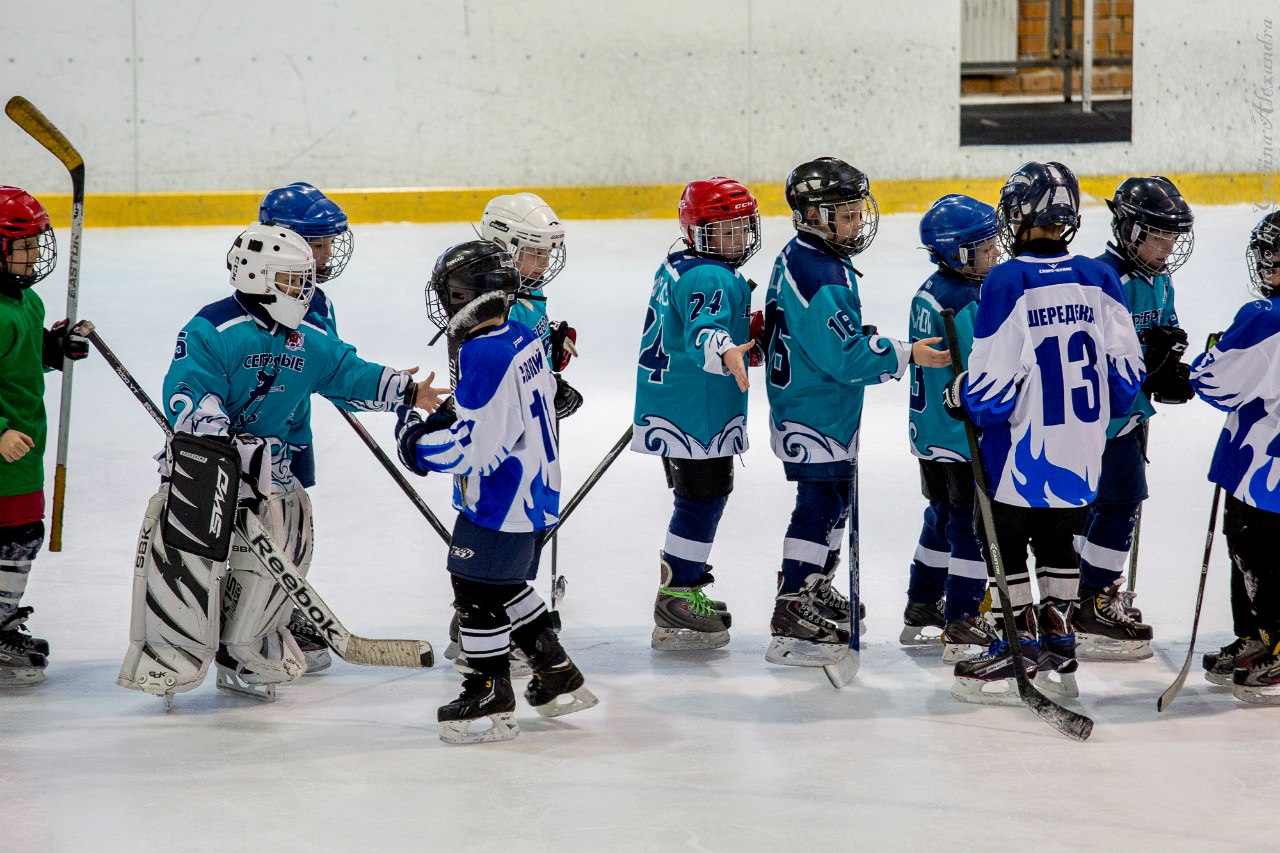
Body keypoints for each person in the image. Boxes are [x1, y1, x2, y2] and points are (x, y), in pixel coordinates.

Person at [117, 222, 437, 705]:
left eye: (305, 280)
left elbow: (346, 372)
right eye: (293, 281)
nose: (304, 291)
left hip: (271, 470)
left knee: (289, 538)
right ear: (258, 277)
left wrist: (405, 390)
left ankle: (250, 643)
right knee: (188, 559)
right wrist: (210, 428)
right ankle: (173, 652)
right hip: (206, 468)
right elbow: (186, 389)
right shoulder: (213, 328)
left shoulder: (304, 335)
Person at [943, 162, 1145, 704]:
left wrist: (960, 392)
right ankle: (1058, 636)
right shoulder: (1100, 277)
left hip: (1019, 453)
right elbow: (1127, 381)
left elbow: (990, 393)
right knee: (1060, 540)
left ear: (1018, 217)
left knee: (1004, 542)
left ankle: (1018, 641)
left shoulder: (1009, 279)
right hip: (1082, 454)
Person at [396, 239, 596, 744]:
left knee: (474, 587)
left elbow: (476, 451)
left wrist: (417, 445)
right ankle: (554, 669)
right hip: (537, 491)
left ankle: (489, 690)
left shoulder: (482, 352)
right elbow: (508, 409)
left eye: (450, 293)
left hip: (502, 498)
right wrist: (453, 412)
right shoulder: (520, 336)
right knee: (504, 586)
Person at [762, 158, 951, 668]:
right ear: (810, 215)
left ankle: (812, 587)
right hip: (814, 409)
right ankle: (795, 600)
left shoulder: (805, 256)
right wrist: (906, 351)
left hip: (813, 403)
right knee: (820, 502)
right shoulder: (821, 272)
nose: (854, 223)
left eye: (854, 212)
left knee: (831, 499)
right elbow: (846, 357)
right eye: (842, 216)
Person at [632, 177, 761, 652]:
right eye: (722, 230)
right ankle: (677, 595)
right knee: (701, 499)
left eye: (742, 227)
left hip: (672, 404)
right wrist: (726, 348)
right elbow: (704, 330)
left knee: (699, 497)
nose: (736, 239)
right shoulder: (710, 276)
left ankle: (682, 585)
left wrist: (741, 331)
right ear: (696, 231)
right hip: (696, 412)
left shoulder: (677, 265)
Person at [1073, 176, 1195, 661]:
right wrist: (1148, 370)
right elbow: (1097, 358)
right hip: (1098, 419)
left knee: (1109, 504)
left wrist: (1169, 369)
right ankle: (1093, 599)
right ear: (1127, 229)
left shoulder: (1159, 280)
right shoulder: (1102, 279)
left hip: (1128, 416)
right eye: (1156, 236)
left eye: (1172, 238)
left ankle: (1088, 595)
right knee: (1114, 503)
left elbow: (1157, 343)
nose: (1166, 248)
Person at [258, 181, 357, 672]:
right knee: (264, 530)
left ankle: (289, 609)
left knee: (293, 529)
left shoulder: (318, 299)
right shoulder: (259, 298)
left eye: (328, 244)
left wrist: (377, 388)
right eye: (316, 244)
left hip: (296, 435)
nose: (325, 255)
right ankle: (258, 621)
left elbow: (332, 366)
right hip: (256, 442)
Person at [903, 194, 1001, 661]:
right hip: (961, 437)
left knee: (941, 516)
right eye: (984, 248)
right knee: (969, 525)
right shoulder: (964, 300)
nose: (995, 253)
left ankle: (921, 603)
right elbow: (984, 369)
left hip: (929, 435)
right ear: (957, 252)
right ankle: (962, 617)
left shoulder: (930, 289)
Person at [1190, 210, 1280, 704]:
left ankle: (1276, 641)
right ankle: (1261, 637)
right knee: (1253, 551)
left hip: (1264, 463)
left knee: (1259, 551)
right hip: (1263, 461)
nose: (1267, 263)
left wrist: (1196, 364)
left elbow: (1215, 382)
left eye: (1275, 254)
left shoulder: (1264, 318)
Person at [0, 187, 88, 686]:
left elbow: (23, 362)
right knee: (12, 537)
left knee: (19, 536)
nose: (35, 254)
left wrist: (56, 347)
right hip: (5, 450)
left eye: (37, 243)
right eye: (23, 245)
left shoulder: (25, 300)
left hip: (23, 451)